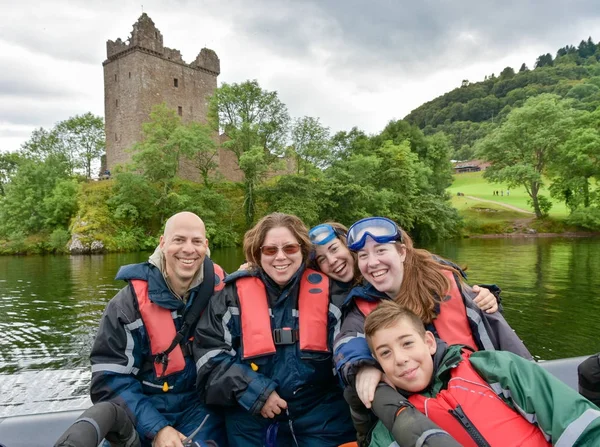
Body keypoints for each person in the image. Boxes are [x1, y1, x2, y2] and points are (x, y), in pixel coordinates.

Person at [334, 216, 532, 446]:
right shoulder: (360, 308)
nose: (372, 262)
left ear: (401, 252)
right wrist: (362, 366)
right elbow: (346, 343)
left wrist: (491, 298)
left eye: (380, 250)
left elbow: (507, 345)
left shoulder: (445, 282)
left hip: (480, 397)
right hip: (422, 415)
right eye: (364, 256)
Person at [194, 213, 355, 446]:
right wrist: (255, 391)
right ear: (258, 254)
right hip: (251, 420)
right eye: (270, 250)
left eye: (290, 248)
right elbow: (209, 360)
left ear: (302, 251)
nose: (281, 257)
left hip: (322, 418)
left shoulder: (333, 294)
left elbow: (348, 350)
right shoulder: (230, 298)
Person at [364, 301, 600, 446]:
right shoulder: (388, 430)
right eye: (386, 353)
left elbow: (582, 428)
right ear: (379, 365)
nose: (400, 359)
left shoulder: (495, 368)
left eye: (407, 343)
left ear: (429, 342)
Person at [90, 212, 227, 447]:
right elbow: (109, 379)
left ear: (205, 246)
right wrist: (158, 429)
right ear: (163, 244)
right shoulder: (126, 306)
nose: (188, 249)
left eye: (196, 241)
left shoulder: (221, 291)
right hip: (142, 410)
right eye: (178, 240)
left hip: (199, 409)